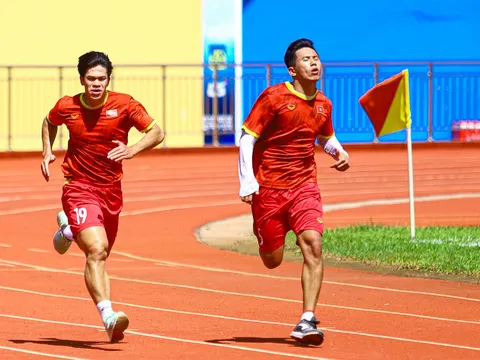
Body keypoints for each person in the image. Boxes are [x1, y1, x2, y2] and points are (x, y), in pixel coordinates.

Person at [40, 51, 164, 343]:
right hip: (78, 186)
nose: (96, 84)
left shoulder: (124, 104)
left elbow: (156, 132)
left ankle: (68, 229)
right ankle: (108, 315)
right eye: (91, 79)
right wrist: (47, 151)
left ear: (109, 79)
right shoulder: (67, 105)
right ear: (82, 79)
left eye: (102, 79)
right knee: (97, 250)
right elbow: (49, 121)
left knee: (103, 251)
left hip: (111, 190)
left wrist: (132, 149)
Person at [237, 38, 350, 346]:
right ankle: (264, 230)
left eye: (316, 58)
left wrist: (338, 152)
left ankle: (307, 319)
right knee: (272, 260)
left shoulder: (324, 104)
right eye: (306, 59)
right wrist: (248, 182)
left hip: (304, 185)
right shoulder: (273, 98)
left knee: (313, 243)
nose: (314, 63)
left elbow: (325, 137)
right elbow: (247, 139)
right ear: (292, 70)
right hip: (269, 190)